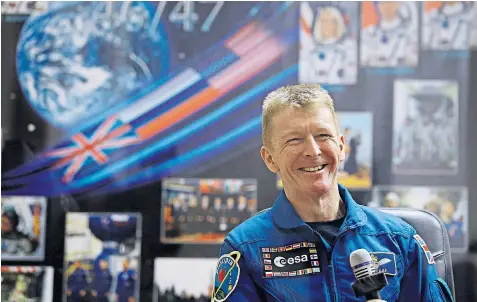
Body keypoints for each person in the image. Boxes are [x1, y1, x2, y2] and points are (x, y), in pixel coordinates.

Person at [212, 84, 453, 301]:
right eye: (294, 140)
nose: (313, 150)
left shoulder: (400, 239)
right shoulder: (246, 247)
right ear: (270, 158)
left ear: (341, 146)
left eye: (323, 135)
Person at [361, 2, 418, 67]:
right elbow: (363, 60)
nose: (386, 7)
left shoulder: (409, 34)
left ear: (398, 5)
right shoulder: (369, 33)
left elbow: (414, 62)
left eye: (390, 2)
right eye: (382, 3)